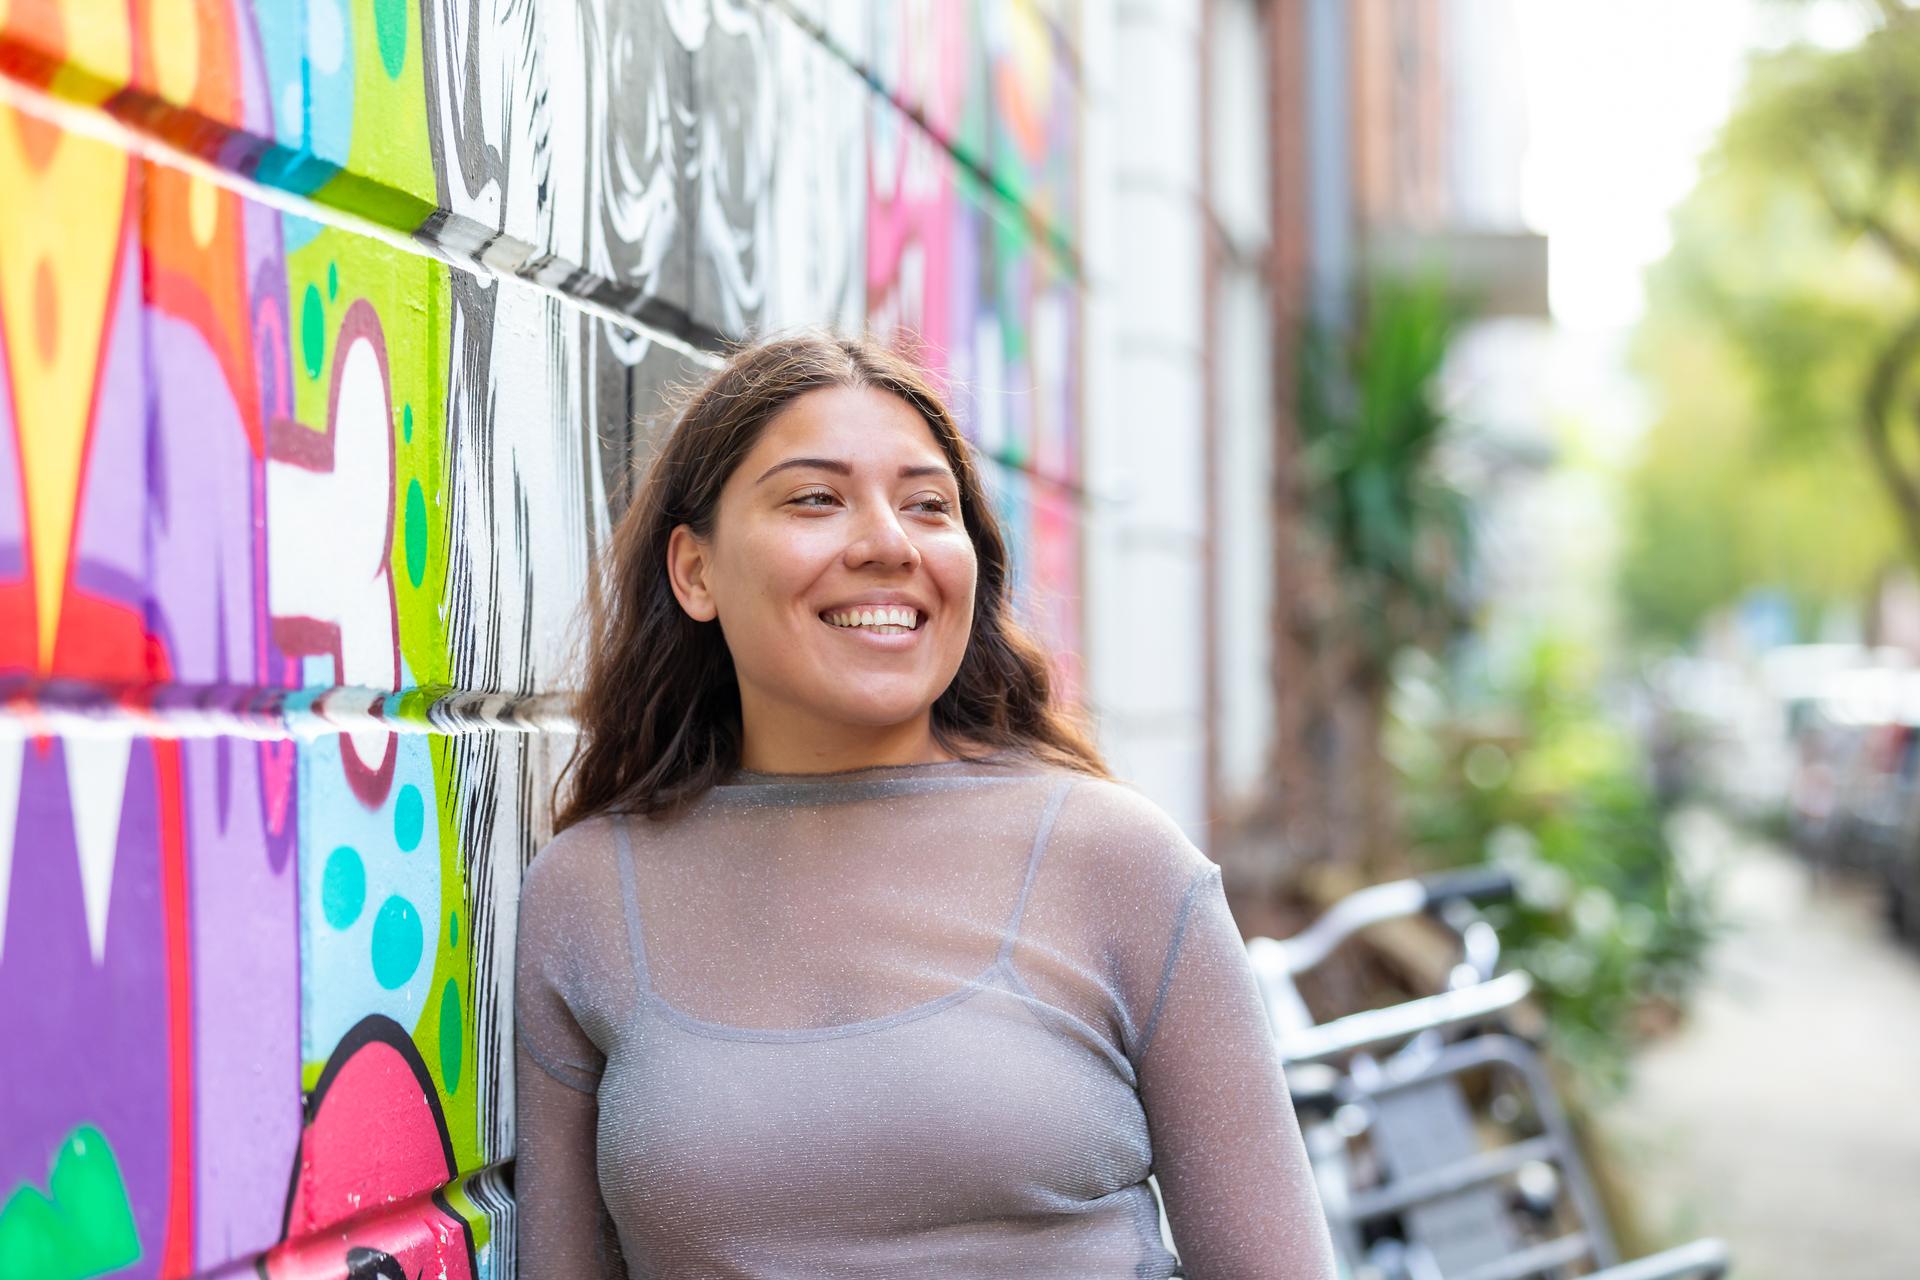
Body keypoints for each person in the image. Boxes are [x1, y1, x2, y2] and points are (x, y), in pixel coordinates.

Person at [513, 332, 1336, 1278]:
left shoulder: (1120, 863)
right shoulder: (588, 893)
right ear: (695, 571)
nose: (888, 544)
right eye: (815, 498)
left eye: (927, 506)